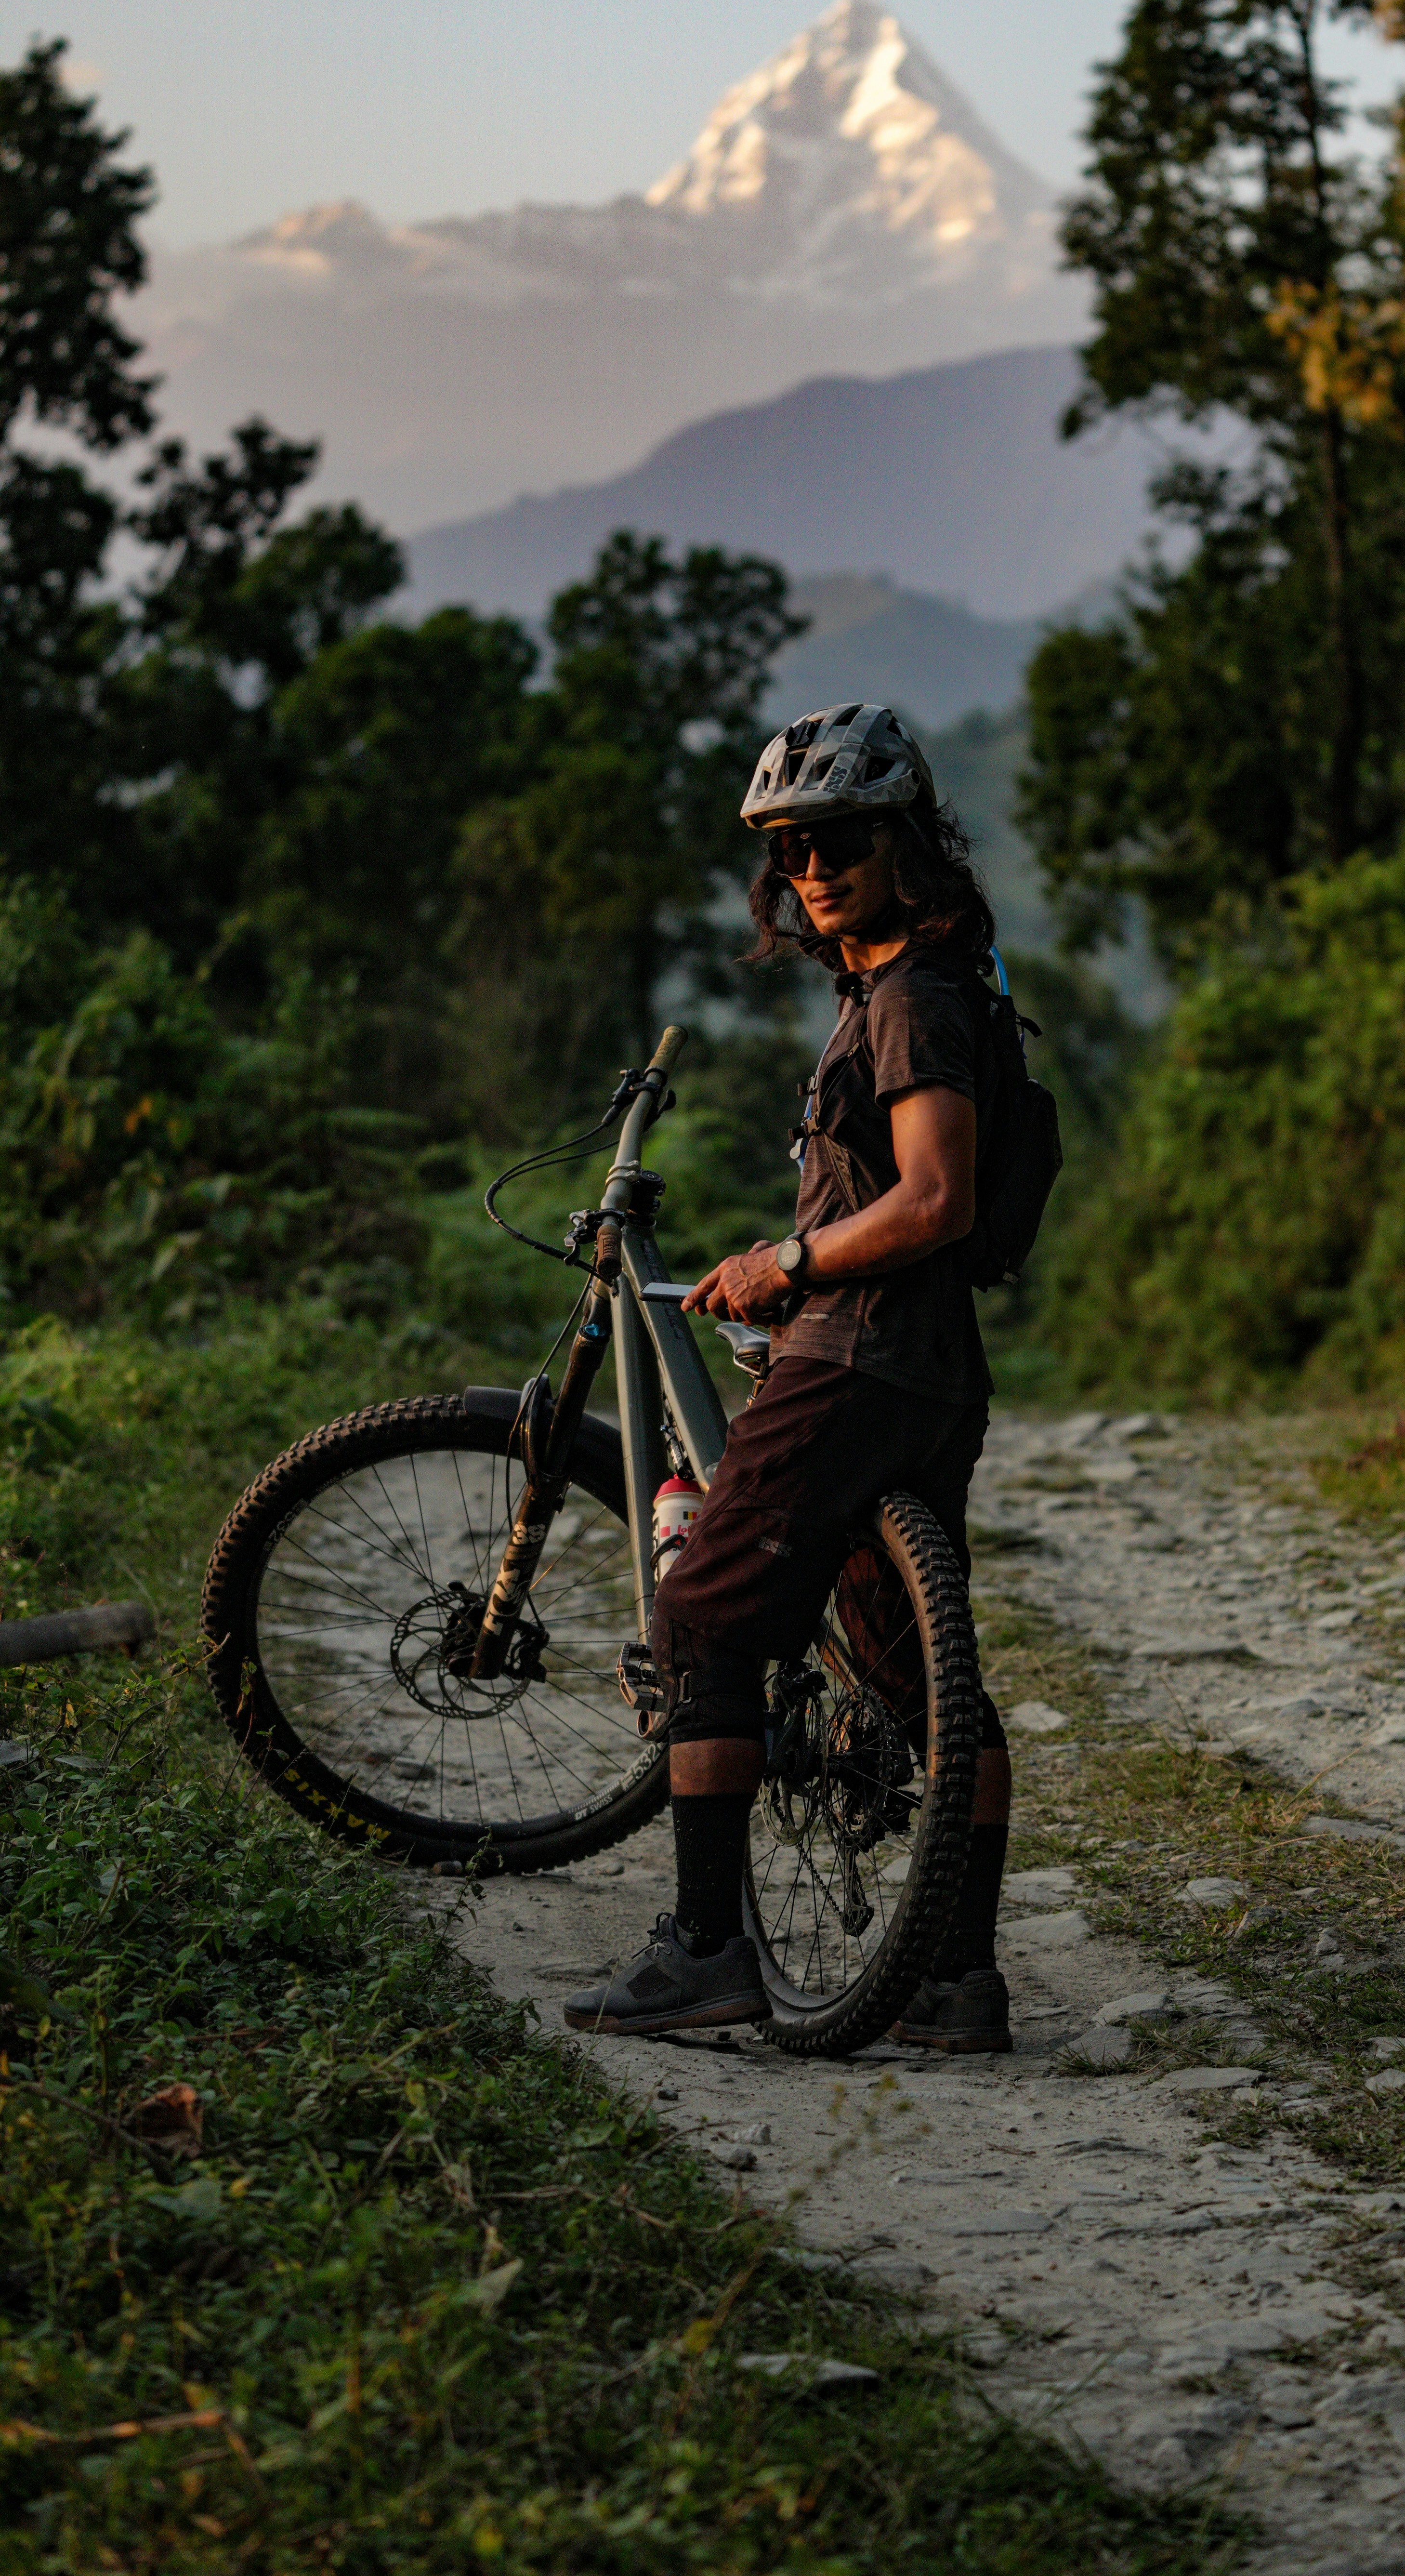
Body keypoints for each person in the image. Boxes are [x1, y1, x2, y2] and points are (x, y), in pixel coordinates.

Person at [564, 701, 1014, 2051]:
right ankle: (955, 1982)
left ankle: (707, 1951)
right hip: (928, 1370)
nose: (814, 868)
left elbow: (934, 1199)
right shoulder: (926, 983)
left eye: (843, 840)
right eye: (793, 849)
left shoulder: (915, 1002)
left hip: (859, 1353)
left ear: (906, 843)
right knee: (916, 1682)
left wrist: (792, 1261)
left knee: (699, 1609)